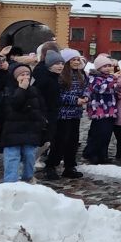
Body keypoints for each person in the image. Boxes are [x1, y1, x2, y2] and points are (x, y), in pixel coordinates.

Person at [0, 62, 47, 183]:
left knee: (30, 156)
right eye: (22, 75)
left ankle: (28, 178)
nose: (25, 77)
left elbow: (40, 108)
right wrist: (21, 90)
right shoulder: (9, 90)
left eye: (27, 74)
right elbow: (13, 106)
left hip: (30, 130)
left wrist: (41, 121)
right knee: (12, 157)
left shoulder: (34, 90)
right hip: (12, 131)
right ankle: (10, 182)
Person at [45, 50, 87, 178]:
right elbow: (58, 96)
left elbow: (85, 88)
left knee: (73, 141)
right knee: (60, 141)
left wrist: (86, 97)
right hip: (63, 114)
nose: (75, 62)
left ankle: (70, 166)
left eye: (77, 59)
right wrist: (75, 100)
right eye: (72, 60)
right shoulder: (61, 76)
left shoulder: (80, 75)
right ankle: (51, 165)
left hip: (75, 113)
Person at [82, 60, 120, 164]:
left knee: (107, 135)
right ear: (99, 68)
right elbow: (100, 89)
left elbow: (109, 90)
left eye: (109, 66)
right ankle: (92, 153)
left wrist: (116, 94)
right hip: (99, 110)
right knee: (98, 134)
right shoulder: (94, 77)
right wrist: (112, 78)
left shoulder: (108, 77)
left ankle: (103, 155)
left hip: (110, 110)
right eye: (105, 66)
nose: (108, 68)